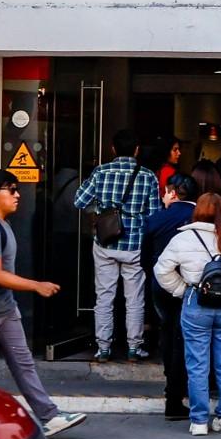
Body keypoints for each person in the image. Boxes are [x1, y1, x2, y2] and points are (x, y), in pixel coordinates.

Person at [0, 170, 86, 438]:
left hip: (4, 308)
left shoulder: (3, 223)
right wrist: (36, 285)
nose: (17, 195)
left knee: (23, 362)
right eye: (10, 189)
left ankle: (49, 416)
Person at [154, 192, 221, 436]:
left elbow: (161, 270)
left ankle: (198, 421)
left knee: (197, 364)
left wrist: (182, 290)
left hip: (196, 303)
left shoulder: (183, 238)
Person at [73, 130, 158, 362]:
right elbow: (153, 214)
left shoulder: (101, 172)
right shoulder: (148, 176)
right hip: (134, 244)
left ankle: (103, 348)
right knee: (135, 298)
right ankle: (134, 347)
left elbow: (79, 200)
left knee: (104, 296)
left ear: (113, 149)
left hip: (105, 242)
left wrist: (100, 212)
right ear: (137, 149)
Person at [144, 176, 199, 420]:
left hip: (163, 285)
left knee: (169, 334)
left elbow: (145, 258)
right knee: (191, 337)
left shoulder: (156, 219)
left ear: (172, 193)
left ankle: (173, 393)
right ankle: (186, 391)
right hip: (195, 286)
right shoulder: (202, 217)